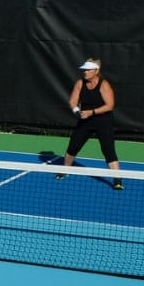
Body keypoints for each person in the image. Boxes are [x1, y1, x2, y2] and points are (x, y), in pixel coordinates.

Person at [58, 58, 123, 190]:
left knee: (108, 150)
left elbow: (110, 105)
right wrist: (77, 111)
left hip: (103, 121)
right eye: (84, 69)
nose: (85, 72)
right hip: (85, 121)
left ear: (96, 71)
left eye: (88, 69)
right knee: (73, 146)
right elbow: (72, 101)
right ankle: (64, 170)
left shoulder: (104, 85)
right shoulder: (80, 83)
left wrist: (92, 112)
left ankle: (117, 180)